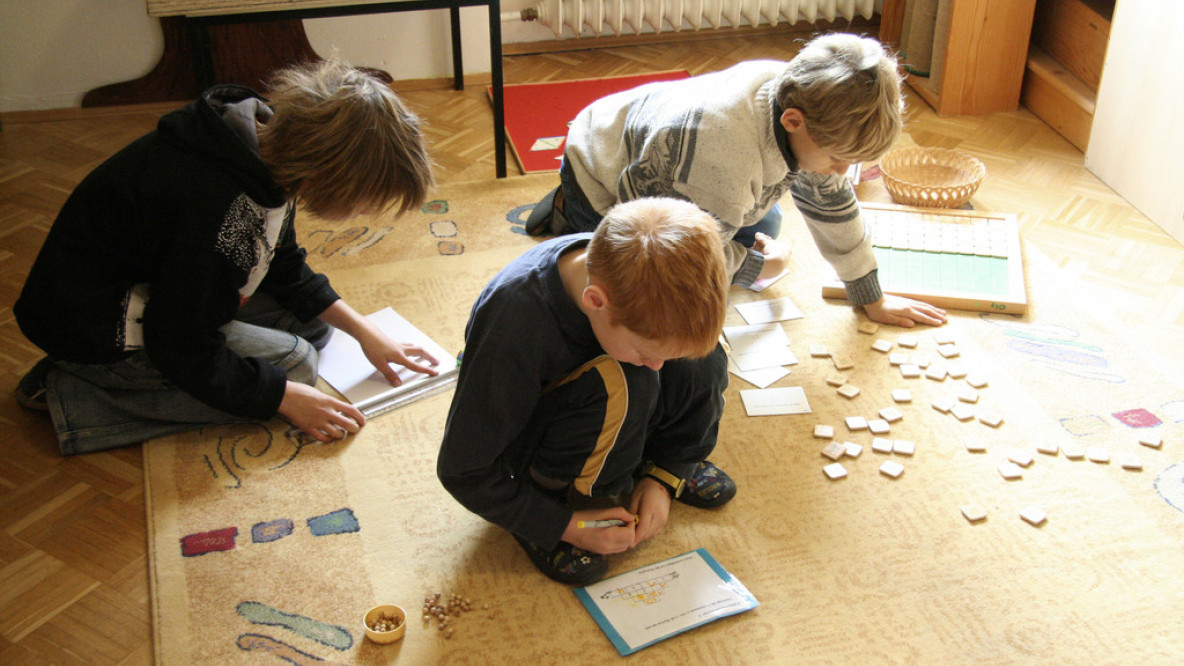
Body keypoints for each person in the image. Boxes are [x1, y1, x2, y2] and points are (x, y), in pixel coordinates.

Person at [14, 59, 439, 455]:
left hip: (167, 294)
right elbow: (179, 342)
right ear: (331, 172)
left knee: (309, 323)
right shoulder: (217, 212)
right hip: (95, 329)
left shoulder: (266, 151)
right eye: (366, 200)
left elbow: (281, 262)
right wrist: (281, 397)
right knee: (296, 366)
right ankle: (71, 396)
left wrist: (363, 331)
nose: (365, 213)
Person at [525, 32, 947, 328]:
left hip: (659, 155)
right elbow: (676, 258)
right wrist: (765, 265)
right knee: (658, 295)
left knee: (766, 226)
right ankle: (568, 211)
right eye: (839, 160)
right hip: (598, 174)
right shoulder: (722, 153)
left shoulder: (800, 91)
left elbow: (831, 203)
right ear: (793, 121)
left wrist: (868, 295)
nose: (841, 174)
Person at [438, 197, 733, 584]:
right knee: (629, 378)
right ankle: (556, 494)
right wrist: (562, 523)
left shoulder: (621, 279)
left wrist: (665, 475)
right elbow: (462, 470)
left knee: (698, 358)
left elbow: (667, 362)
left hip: (600, 399)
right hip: (546, 431)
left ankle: (656, 463)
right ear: (595, 302)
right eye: (647, 352)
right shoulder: (513, 328)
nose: (659, 367)